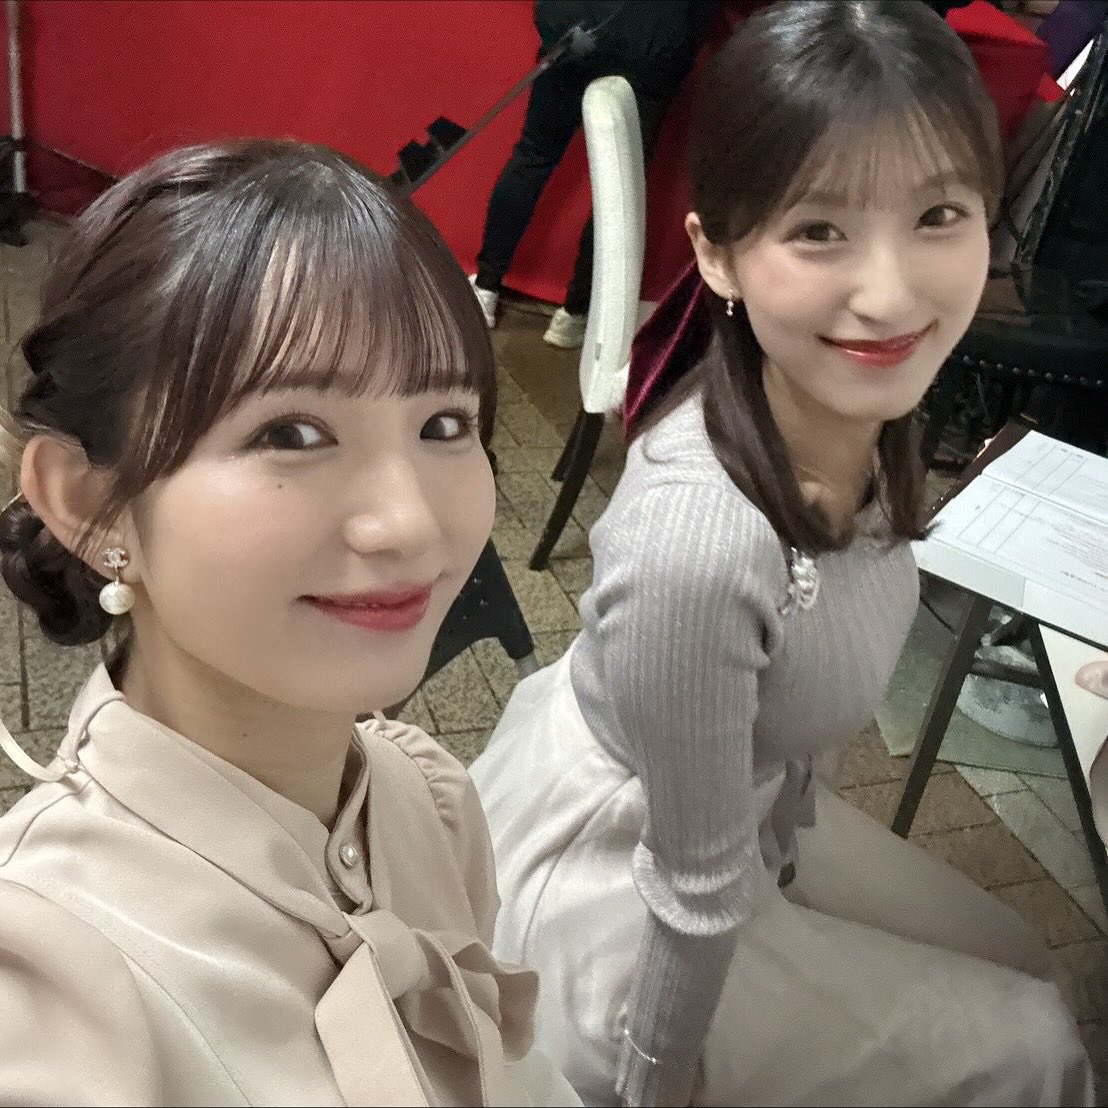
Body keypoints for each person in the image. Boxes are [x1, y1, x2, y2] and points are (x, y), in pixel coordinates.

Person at [468, 3, 1094, 1105]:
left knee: (1026, 960)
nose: (890, 294)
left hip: (746, 809)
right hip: (627, 888)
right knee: (1037, 1041)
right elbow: (691, 890)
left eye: (938, 214)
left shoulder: (852, 411)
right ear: (716, 253)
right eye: (818, 230)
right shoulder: (700, 546)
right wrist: (654, 1087)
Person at [0, 140, 577, 1107]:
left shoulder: (426, 800)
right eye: (291, 434)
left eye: (444, 424)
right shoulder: (52, 990)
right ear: (92, 507)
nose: (408, 524)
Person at [469, 0, 709, 349]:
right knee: (618, 186)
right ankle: (574, 314)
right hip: (655, 42)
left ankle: (486, 287)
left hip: (577, 24)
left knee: (533, 156)